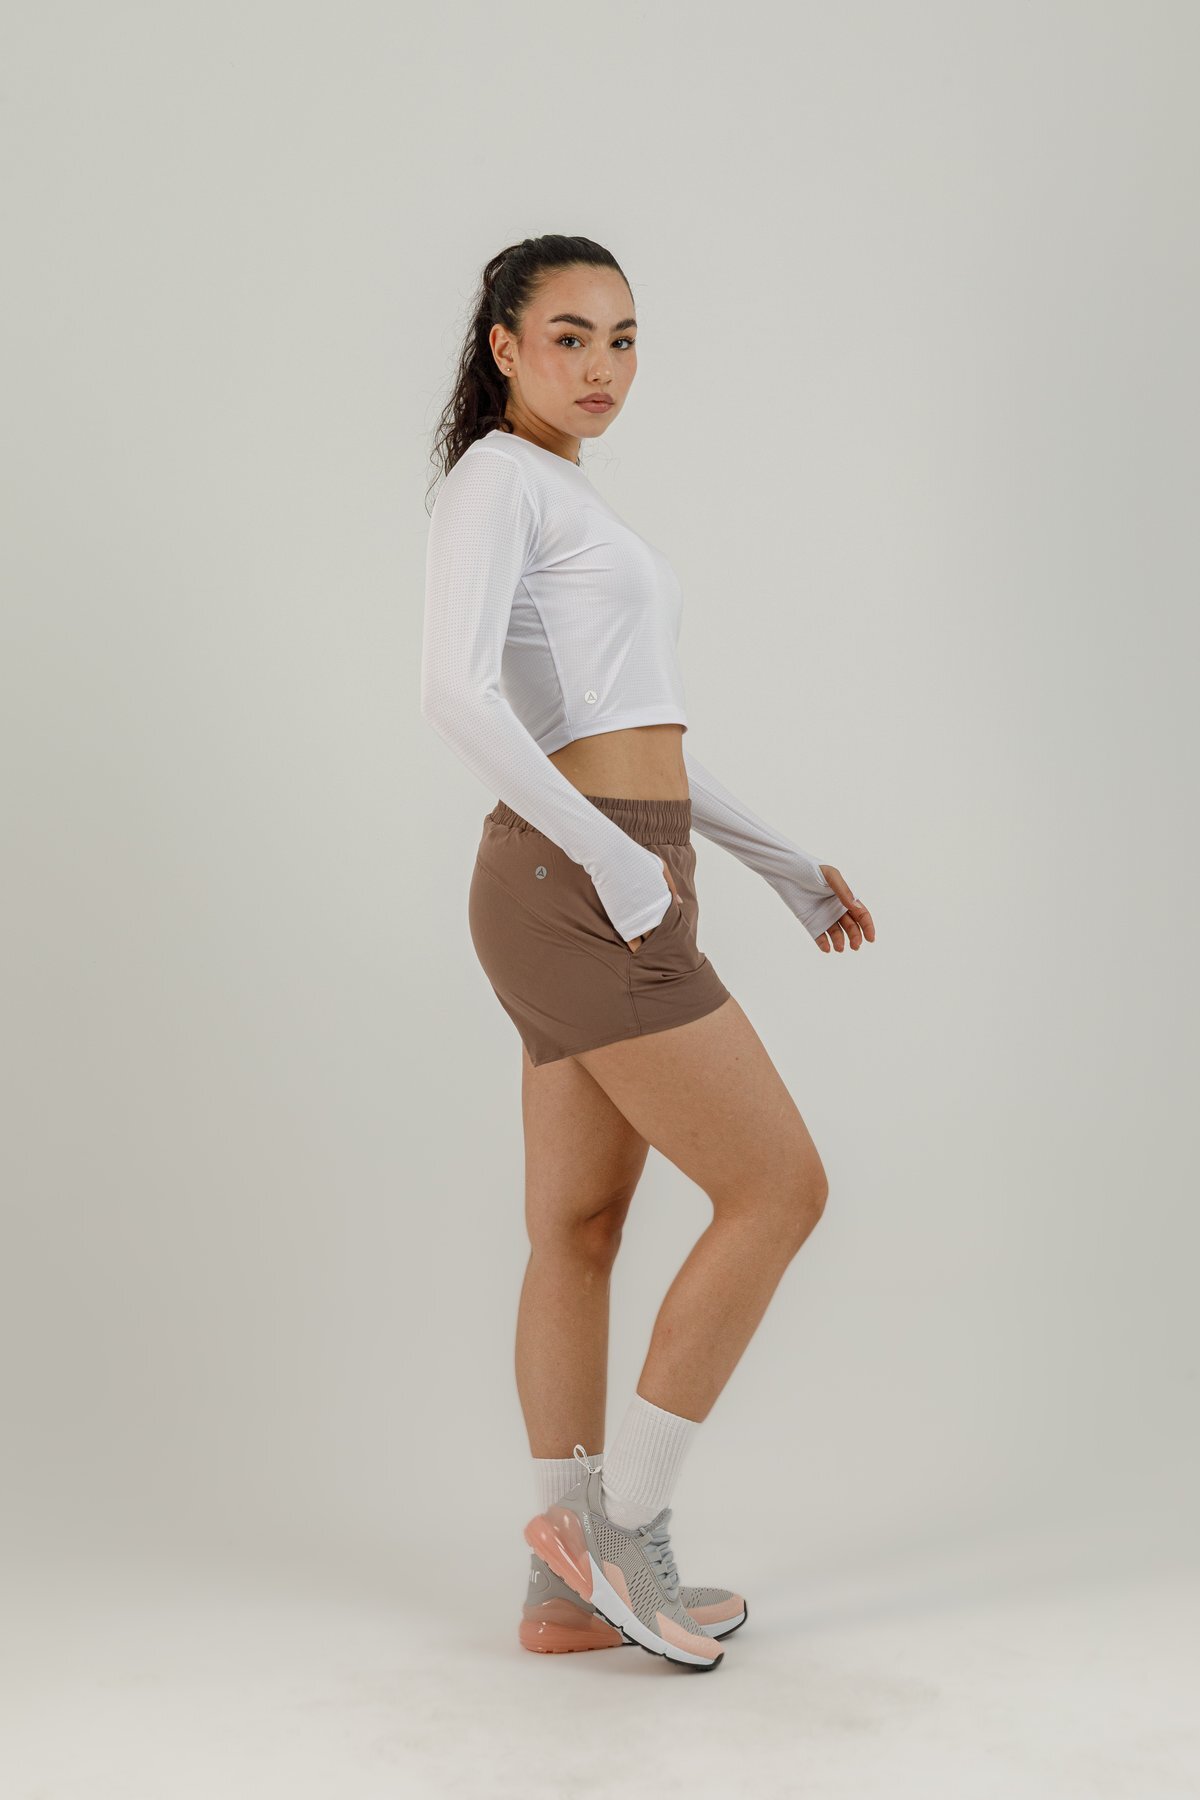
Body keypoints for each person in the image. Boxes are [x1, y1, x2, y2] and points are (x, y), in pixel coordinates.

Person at [421, 234, 874, 1671]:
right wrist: (621, 866)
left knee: (579, 1228)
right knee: (779, 1187)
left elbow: (639, 734)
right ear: (504, 345)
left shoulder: (567, 494)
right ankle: (619, 1531)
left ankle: (565, 1589)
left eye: (623, 339)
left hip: (593, 864)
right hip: (581, 876)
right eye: (568, 336)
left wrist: (777, 859)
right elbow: (455, 693)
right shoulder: (498, 480)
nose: (601, 367)